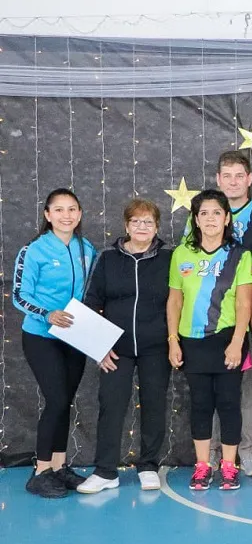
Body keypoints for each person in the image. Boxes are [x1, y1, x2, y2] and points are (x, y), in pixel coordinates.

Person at [185, 150, 252, 476]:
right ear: (218, 179)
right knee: (211, 392)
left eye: (240, 175)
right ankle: (209, 453)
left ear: (250, 179)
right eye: (227, 176)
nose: (233, 181)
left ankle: (250, 451)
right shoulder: (200, 214)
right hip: (211, 323)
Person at [78, 199, 173, 494]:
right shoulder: (107, 258)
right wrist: (99, 346)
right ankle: (106, 471)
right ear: (126, 225)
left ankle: (148, 466)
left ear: (157, 227)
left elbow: (180, 299)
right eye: (136, 222)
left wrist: (173, 341)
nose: (141, 227)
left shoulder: (170, 257)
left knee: (155, 405)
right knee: (111, 405)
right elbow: (91, 302)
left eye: (148, 222)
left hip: (157, 346)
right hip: (115, 348)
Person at [168, 189, 252, 491]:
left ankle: (229, 467)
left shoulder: (241, 255)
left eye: (216, 212)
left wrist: (237, 341)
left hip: (228, 339)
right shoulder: (182, 254)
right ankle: (203, 465)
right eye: (203, 213)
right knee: (201, 404)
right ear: (195, 219)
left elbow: (245, 303)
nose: (210, 218)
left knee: (229, 404)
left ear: (227, 217)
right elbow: (174, 302)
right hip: (192, 341)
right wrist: (173, 340)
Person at [14, 188, 97, 498]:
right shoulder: (33, 250)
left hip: (74, 337)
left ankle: (60, 468)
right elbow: (19, 295)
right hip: (41, 336)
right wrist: (46, 313)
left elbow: (92, 291)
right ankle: (41, 471)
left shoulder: (86, 248)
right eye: (59, 210)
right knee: (57, 399)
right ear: (47, 215)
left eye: (72, 209)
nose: (67, 215)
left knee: (66, 401)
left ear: (79, 214)